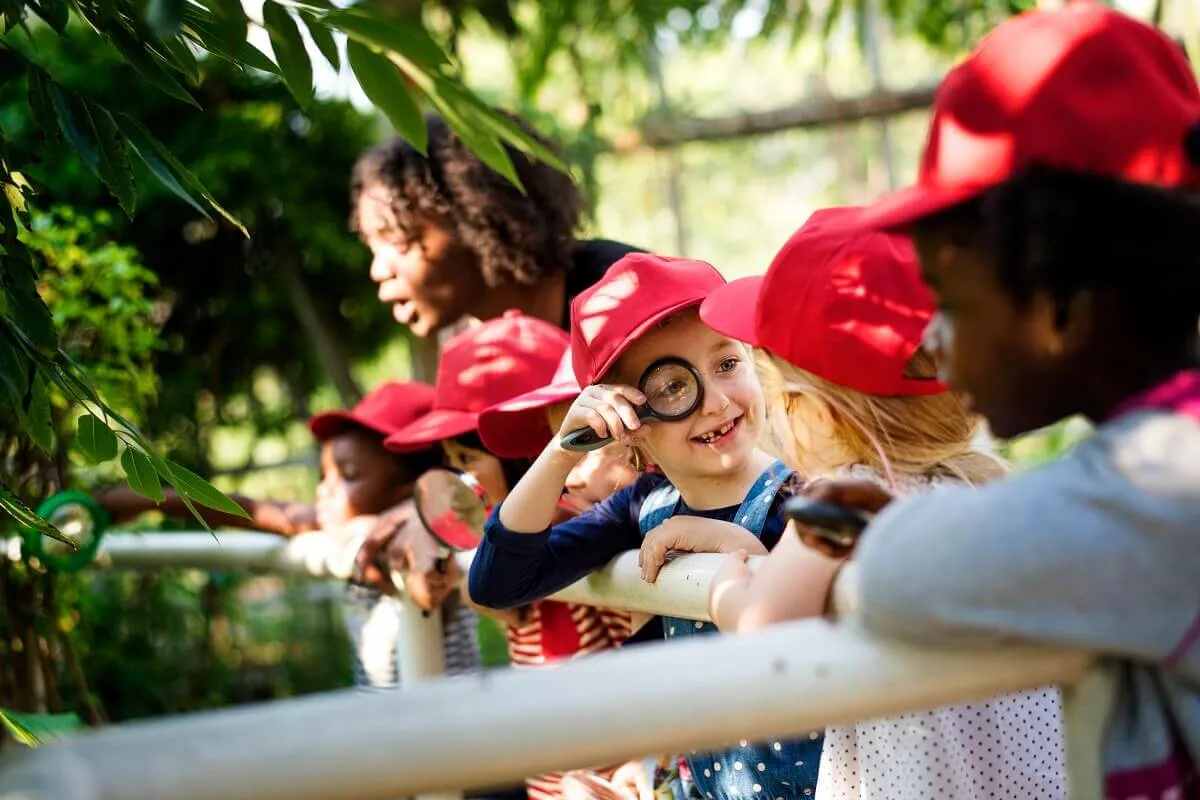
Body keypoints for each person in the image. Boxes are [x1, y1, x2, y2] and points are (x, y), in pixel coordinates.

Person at [772, 4, 1200, 799]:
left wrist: (877, 529)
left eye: (951, 302)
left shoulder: (1158, 481)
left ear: (1061, 311)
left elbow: (906, 575)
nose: (930, 341)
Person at [700, 208, 1065, 800]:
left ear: (812, 412)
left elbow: (763, 630)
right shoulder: (997, 486)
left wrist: (728, 588)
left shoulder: (851, 498)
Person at [468, 253, 824, 800]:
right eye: (674, 388)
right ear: (628, 421)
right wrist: (563, 450)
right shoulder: (644, 506)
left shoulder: (804, 502)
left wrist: (739, 552)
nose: (717, 402)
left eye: (727, 363)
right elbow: (498, 581)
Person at [100, 381, 465, 689]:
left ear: (407, 491)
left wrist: (419, 525)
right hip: (386, 737)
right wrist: (152, 498)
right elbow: (252, 510)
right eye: (326, 475)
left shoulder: (430, 535)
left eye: (349, 476)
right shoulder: (340, 522)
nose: (325, 491)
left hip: (458, 742)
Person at [350, 113, 638, 340]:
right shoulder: (476, 356)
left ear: (477, 215)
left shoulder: (624, 299)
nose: (379, 271)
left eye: (400, 240)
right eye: (372, 246)